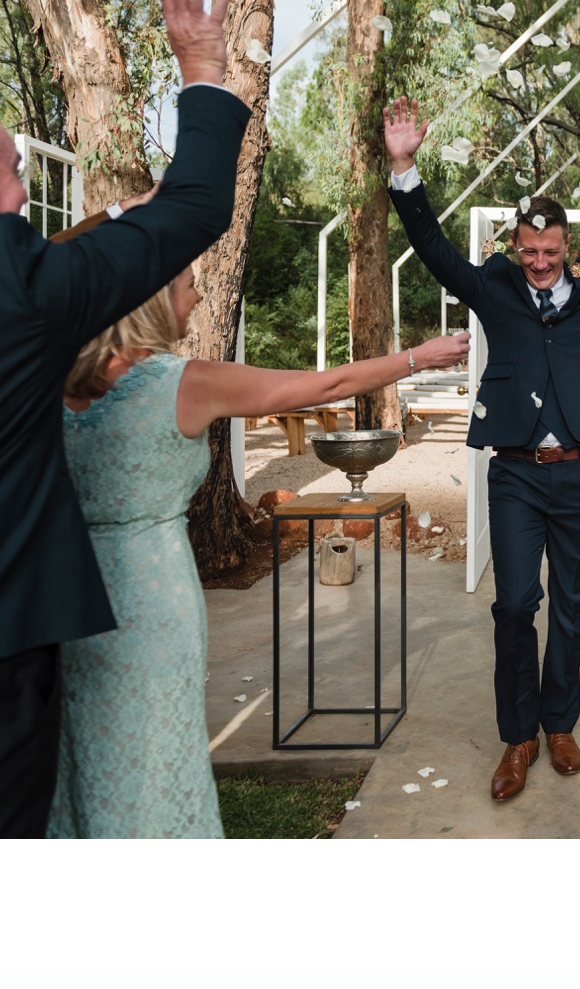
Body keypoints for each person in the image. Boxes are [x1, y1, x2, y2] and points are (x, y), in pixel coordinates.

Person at [0, 0, 248, 838]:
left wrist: (123, 218)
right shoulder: (0, 282)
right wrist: (201, 67)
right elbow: (194, 207)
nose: (19, 211)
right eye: (16, 188)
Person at [45, 248, 470, 837]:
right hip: (150, 602)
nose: (197, 296)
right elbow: (330, 384)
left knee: (84, 754)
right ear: (151, 302)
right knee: (157, 751)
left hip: (62, 595)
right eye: (188, 285)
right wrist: (417, 358)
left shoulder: (47, 380)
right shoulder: (186, 384)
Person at [382, 96, 580, 802]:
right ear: (514, 247)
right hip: (516, 475)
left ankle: (560, 722)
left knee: (573, 600)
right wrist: (404, 166)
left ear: (566, 245)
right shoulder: (494, 284)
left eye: (549, 252)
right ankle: (518, 734)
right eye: (527, 252)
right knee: (512, 604)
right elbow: (434, 248)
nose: (537, 262)